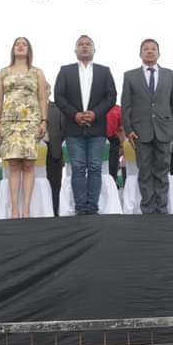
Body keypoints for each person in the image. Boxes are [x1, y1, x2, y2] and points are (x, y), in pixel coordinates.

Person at [54, 35, 117, 215]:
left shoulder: (104, 71)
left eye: (88, 44)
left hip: (97, 127)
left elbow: (111, 96)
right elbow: (59, 95)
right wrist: (74, 114)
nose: (84, 47)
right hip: (73, 127)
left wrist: (95, 113)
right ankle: (80, 207)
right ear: (75, 50)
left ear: (94, 50)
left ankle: (93, 206)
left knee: (95, 166)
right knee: (78, 166)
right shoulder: (65, 71)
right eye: (80, 44)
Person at [121, 38, 173, 214]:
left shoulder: (170, 75)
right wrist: (129, 130)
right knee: (145, 172)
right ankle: (147, 209)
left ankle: (161, 209)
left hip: (165, 130)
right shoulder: (130, 76)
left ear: (159, 53)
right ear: (140, 53)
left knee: (162, 171)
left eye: (153, 48)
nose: (149, 51)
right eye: (146, 49)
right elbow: (126, 105)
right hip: (140, 131)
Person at [0, 37, 48, 218]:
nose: (20, 46)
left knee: (29, 163)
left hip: (31, 120)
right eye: (17, 43)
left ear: (29, 50)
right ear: (13, 49)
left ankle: (26, 209)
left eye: (24, 44)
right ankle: (14, 209)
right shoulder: (3, 72)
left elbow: (42, 98)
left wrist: (44, 120)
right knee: (13, 163)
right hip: (9, 121)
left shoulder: (37, 72)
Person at [44, 82, 64, 216]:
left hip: (54, 150)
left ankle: (55, 210)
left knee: (55, 183)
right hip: (34, 151)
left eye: (45, 88)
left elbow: (64, 130)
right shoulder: (29, 108)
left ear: (49, 91)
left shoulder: (57, 108)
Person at [106, 104, 124, 186]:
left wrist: (122, 146)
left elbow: (121, 129)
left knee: (112, 167)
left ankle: (112, 187)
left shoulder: (117, 109)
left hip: (113, 140)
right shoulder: (95, 108)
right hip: (98, 140)